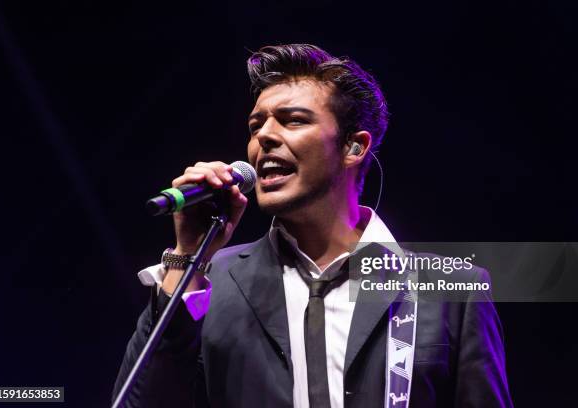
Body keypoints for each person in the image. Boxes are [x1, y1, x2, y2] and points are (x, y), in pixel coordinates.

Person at [113, 44, 513, 408]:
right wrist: (187, 258)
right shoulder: (213, 282)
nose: (264, 137)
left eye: (293, 120)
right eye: (256, 126)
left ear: (354, 147)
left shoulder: (448, 291)